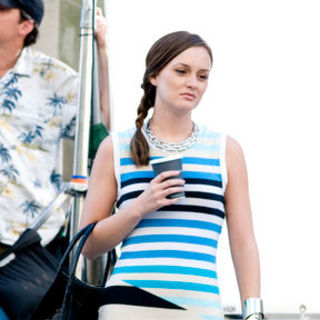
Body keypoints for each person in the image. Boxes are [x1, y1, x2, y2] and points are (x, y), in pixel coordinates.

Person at [80, 31, 262, 320]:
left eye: (202, 76)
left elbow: (243, 242)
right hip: (128, 302)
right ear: (154, 75)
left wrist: (253, 313)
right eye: (181, 71)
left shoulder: (225, 150)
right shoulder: (115, 147)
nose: (193, 83)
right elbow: (88, 245)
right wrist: (140, 206)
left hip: (201, 306)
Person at [0, 0, 109, 252]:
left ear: (26, 25)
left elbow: (100, 134)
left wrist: (102, 50)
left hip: (26, 241)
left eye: (2, 9)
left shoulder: (56, 79)